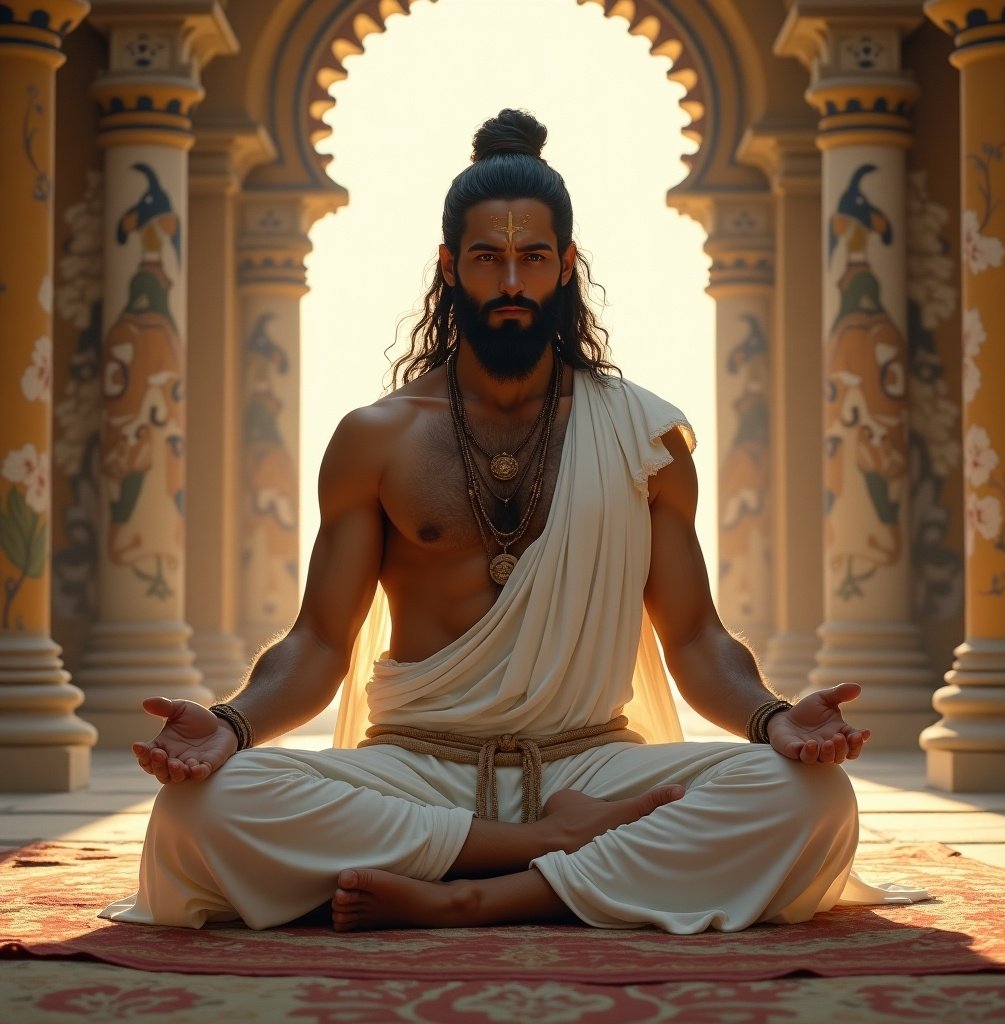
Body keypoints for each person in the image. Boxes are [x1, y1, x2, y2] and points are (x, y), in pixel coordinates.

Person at [102, 109, 923, 935]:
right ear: (450, 266)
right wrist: (232, 727)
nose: (510, 284)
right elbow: (318, 643)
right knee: (200, 811)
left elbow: (698, 639)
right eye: (488, 259)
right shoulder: (376, 438)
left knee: (808, 795)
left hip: (591, 765)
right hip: (417, 768)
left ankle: (472, 891)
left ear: (567, 267)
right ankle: (547, 853)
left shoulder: (644, 438)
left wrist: (773, 717)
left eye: (532, 258)